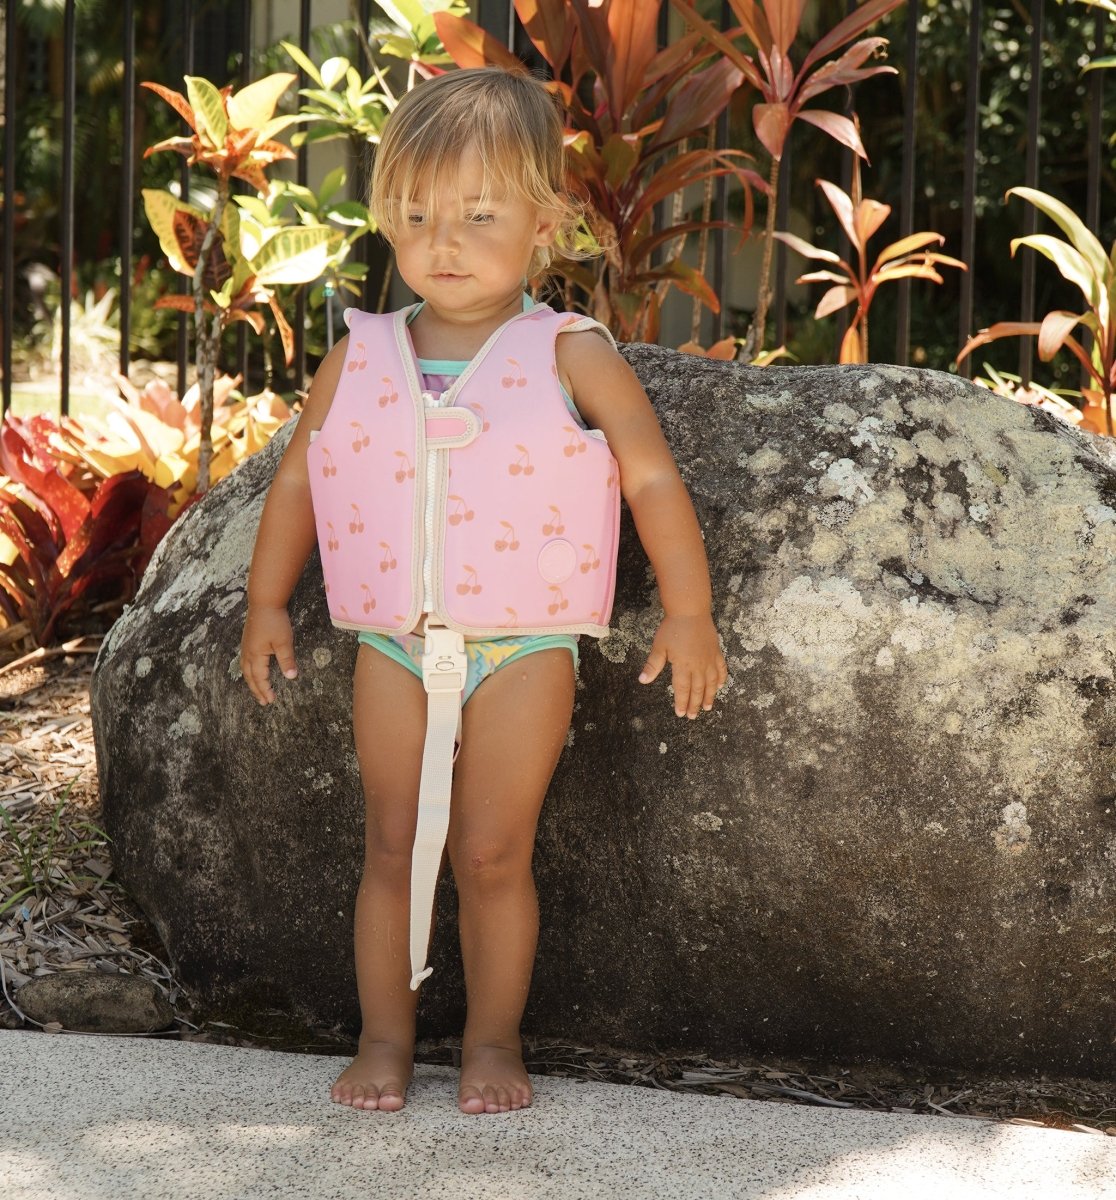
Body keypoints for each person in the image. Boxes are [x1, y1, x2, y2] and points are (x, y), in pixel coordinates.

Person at [240, 65, 727, 1116]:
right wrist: (266, 602)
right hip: (395, 643)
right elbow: (301, 480)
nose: (444, 243)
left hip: (526, 647)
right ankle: (384, 1038)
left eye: (478, 215)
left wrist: (689, 612)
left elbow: (650, 478)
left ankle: (494, 1042)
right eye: (417, 216)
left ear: (545, 224)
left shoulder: (571, 353)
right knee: (389, 843)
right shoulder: (360, 356)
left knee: (494, 851)